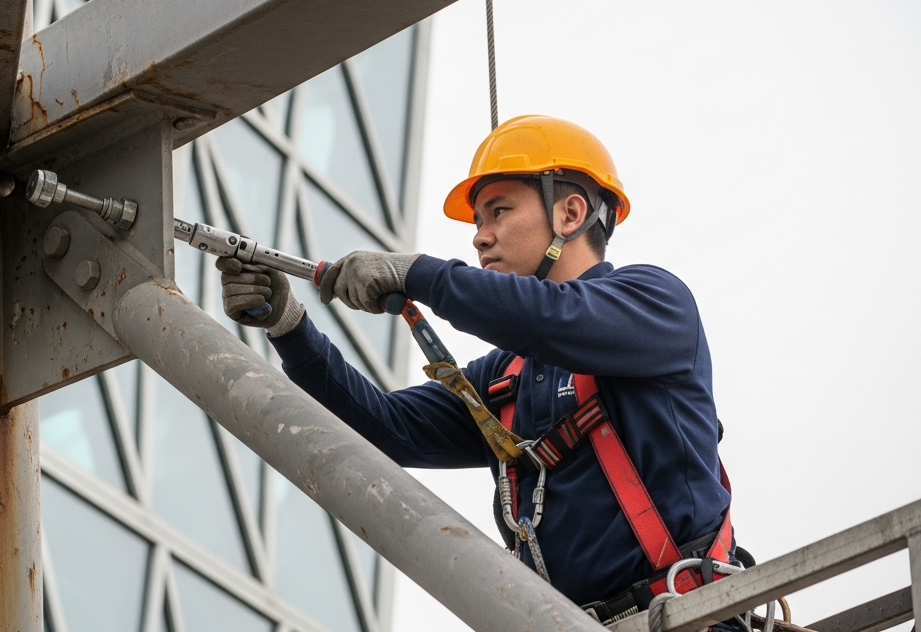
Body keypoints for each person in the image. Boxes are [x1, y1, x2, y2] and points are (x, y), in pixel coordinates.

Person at [216, 115, 735, 622]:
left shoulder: (655, 305)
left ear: (571, 214)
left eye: (499, 211)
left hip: (687, 619)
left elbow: (548, 318)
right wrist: (289, 326)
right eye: (478, 221)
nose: (480, 237)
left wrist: (418, 274)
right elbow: (384, 428)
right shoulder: (506, 380)